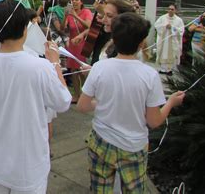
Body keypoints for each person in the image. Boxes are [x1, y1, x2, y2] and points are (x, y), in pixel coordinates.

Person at [77, 12, 185, 193]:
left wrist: (103, 103)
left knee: (100, 189)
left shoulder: (99, 67)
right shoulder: (149, 75)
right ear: (141, 42)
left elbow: (82, 106)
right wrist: (171, 102)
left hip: (101, 141)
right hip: (133, 146)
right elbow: (154, 121)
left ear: (114, 37)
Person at [0, 0, 71, 193]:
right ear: (25, 29)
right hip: (29, 166)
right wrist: (55, 63)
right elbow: (63, 101)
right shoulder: (41, 67)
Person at [62, 0, 93, 100]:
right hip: (73, 44)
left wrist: (76, 16)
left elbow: (88, 26)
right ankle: (76, 94)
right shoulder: (70, 14)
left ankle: (87, 94)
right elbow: (63, 28)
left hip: (84, 43)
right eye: (72, 0)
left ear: (81, 1)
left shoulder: (86, 12)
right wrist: (66, 16)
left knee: (83, 70)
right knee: (74, 70)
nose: (74, 1)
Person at [90, 0, 122, 65]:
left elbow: (118, 25)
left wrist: (103, 12)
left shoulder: (119, 10)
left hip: (109, 47)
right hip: (97, 46)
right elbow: (94, 28)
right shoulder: (100, 7)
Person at [154, 4, 185, 75]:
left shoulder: (179, 20)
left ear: (175, 10)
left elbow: (181, 31)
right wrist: (165, 26)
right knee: (163, 53)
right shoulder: (162, 18)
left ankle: (169, 70)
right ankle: (162, 69)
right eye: (169, 9)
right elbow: (157, 25)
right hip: (164, 40)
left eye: (172, 9)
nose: (170, 11)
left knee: (172, 54)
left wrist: (172, 27)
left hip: (173, 41)